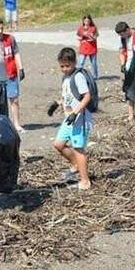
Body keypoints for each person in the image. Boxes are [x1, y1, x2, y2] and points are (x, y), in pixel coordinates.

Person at [49, 47, 93, 192]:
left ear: (74, 63)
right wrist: (57, 104)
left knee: (78, 148)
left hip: (79, 119)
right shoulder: (65, 78)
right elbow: (67, 96)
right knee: (58, 144)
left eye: (67, 66)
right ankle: (76, 165)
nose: (65, 69)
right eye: (62, 66)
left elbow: (87, 96)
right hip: (68, 119)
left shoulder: (78, 76)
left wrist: (76, 112)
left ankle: (85, 180)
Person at [0, 17, 25, 133]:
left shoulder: (10, 39)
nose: (0, 31)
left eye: (2, 28)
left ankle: (16, 124)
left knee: (14, 99)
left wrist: (20, 68)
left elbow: (16, 53)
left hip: (10, 73)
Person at [76, 15, 99, 80]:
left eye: (88, 21)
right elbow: (78, 36)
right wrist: (81, 38)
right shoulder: (80, 28)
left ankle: (95, 76)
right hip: (83, 47)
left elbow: (96, 35)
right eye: (85, 20)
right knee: (81, 62)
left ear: (90, 21)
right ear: (83, 21)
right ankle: (78, 75)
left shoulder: (93, 28)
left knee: (93, 63)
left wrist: (93, 38)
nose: (86, 22)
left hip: (92, 47)